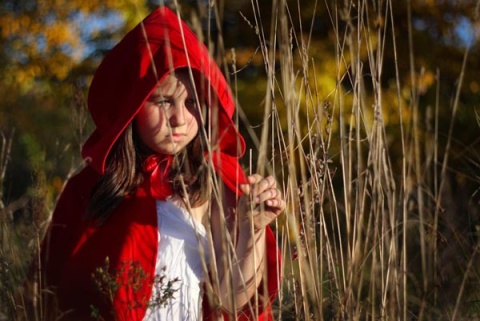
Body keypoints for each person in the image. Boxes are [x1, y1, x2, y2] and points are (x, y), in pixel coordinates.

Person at [33, 6, 284, 321]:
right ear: (132, 105)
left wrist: (252, 227)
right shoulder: (90, 188)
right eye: (163, 101)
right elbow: (53, 294)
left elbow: (232, 299)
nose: (179, 118)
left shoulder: (214, 181)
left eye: (192, 102)